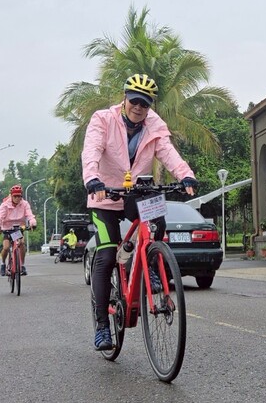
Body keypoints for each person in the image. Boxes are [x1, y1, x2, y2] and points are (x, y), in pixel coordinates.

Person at [82, 73, 198, 351]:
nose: (138, 107)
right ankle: (102, 326)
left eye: (144, 103)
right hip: (104, 196)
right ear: (125, 98)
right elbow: (92, 150)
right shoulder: (103, 119)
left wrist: (186, 175)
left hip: (137, 192)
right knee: (106, 255)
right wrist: (92, 179)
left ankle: (152, 268)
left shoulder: (154, 124)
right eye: (134, 101)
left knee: (157, 222)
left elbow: (168, 152)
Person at [0, 184, 38, 276]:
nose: (17, 198)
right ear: (11, 196)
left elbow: (29, 215)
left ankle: (22, 265)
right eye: (15, 196)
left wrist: (33, 223)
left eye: (19, 196)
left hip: (19, 228)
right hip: (7, 228)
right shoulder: (5, 205)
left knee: (21, 243)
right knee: (6, 247)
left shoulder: (25, 204)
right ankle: (3, 264)